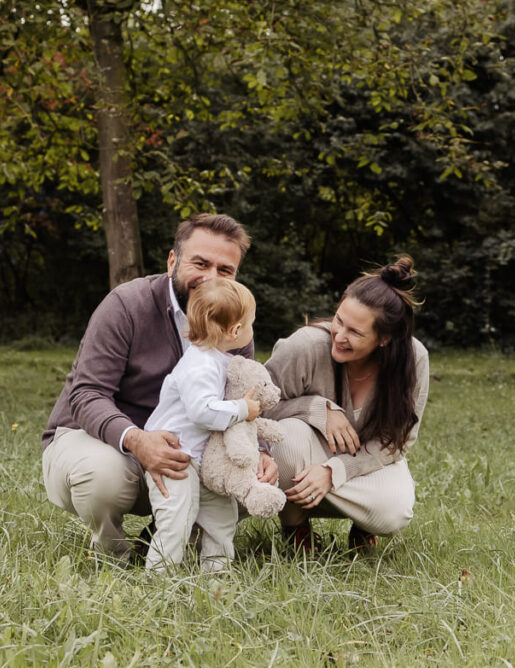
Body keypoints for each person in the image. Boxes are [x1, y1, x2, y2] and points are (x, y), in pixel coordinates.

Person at [41, 212, 278, 562]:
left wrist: (261, 451)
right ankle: (113, 557)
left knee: (251, 474)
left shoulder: (233, 319)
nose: (211, 278)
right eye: (200, 263)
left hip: (190, 449)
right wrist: (137, 440)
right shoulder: (126, 304)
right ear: (173, 261)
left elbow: (239, 396)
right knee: (101, 477)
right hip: (100, 438)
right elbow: (87, 395)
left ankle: (167, 542)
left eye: (225, 270)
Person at [265, 255, 429, 551]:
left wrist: (334, 471)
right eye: (339, 321)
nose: (339, 336)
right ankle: (295, 528)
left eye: (355, 332)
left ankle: (363, 527)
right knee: (285, 439)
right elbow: (257, 407)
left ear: (384, 339)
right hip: (305, 456)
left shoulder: (414, 360)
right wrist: (316, 409)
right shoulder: (305, 346)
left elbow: (397, 442)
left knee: (395, 511)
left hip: (363, 462)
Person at [143, 278, 260, 573]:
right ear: (234, 331)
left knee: (222, 515)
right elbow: (201, 411)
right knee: (176, 518)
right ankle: (158, 577)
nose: (251, 330)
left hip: (200, 460)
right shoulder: (200, 365)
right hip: (174, 457)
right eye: (250, 324)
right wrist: (242, 409)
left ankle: (216, 573)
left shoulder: (218, 360)